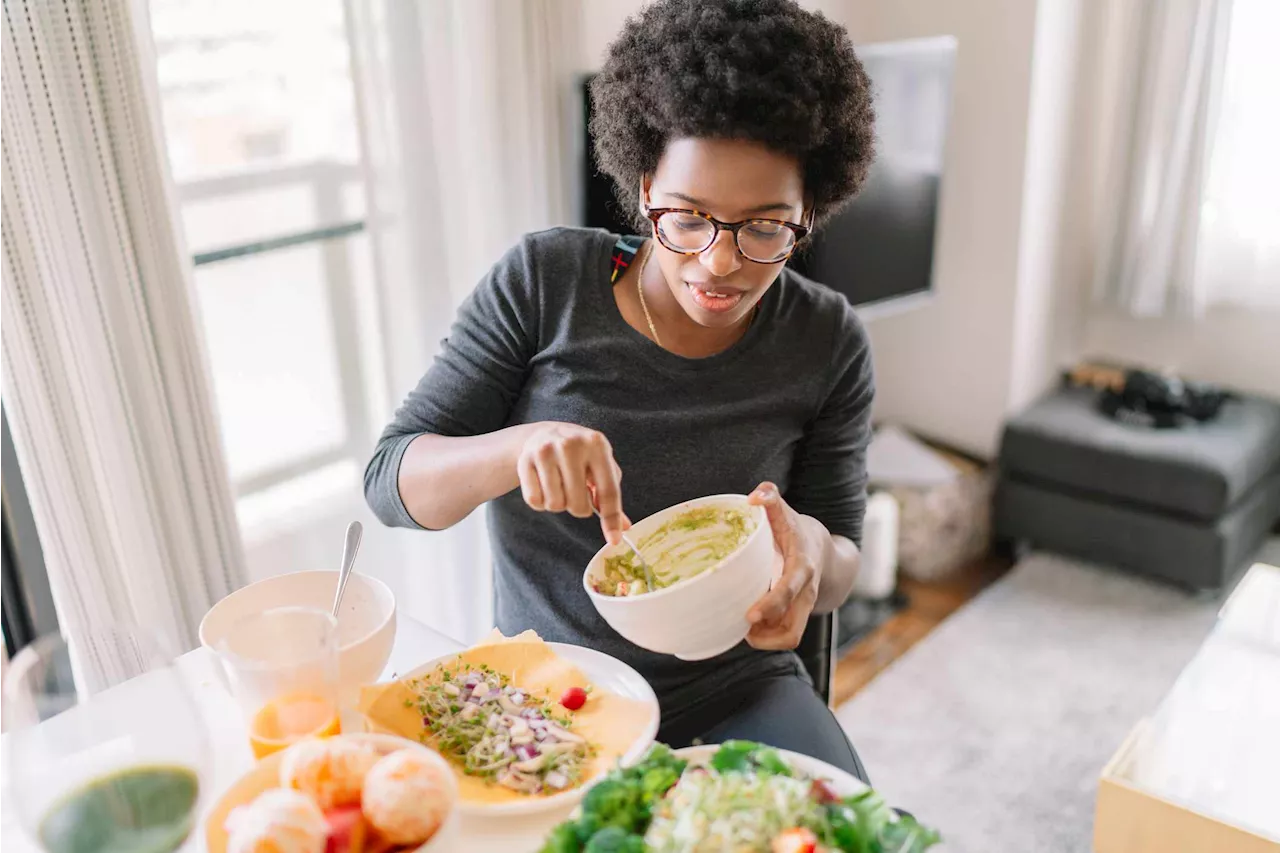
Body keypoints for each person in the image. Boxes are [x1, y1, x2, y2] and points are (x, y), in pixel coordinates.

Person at [365, 0, 876, 780]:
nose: (718, 263)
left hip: (737, 686)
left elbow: (842, 559)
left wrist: (811, 550)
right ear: (644, 186)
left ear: (811, 210)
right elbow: (391, 484)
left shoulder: (827, 338)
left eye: (766, 226)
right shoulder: (545, 284)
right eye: (688, 218)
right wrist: (520, 446)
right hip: (560, 696)